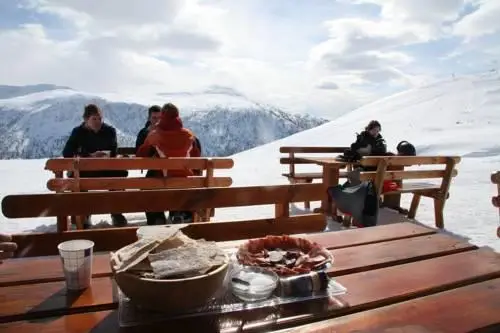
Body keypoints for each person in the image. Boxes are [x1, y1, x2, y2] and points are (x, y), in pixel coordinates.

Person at [62, 103, 128, 228]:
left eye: (99, 119)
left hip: (105, 169)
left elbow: (114, 151)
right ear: (86, 120)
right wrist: (89, 155)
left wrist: (107, 154)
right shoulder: (78, 132)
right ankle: (84, 214)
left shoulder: (109, 131)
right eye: (94, 119)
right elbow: (67, 152)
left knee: (119, 173)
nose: (98, 122)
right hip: (85, 170)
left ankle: (116, 213)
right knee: (78, 179)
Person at [137, 103, 201, 225]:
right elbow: (196, 156)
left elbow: (141, 155)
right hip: (186, 182)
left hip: (164, 181)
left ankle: (156, 217)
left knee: (148, 182)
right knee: (182, 180)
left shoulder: (155, 134)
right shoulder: (189, 135)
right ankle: (183, 213)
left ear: (162, 117)